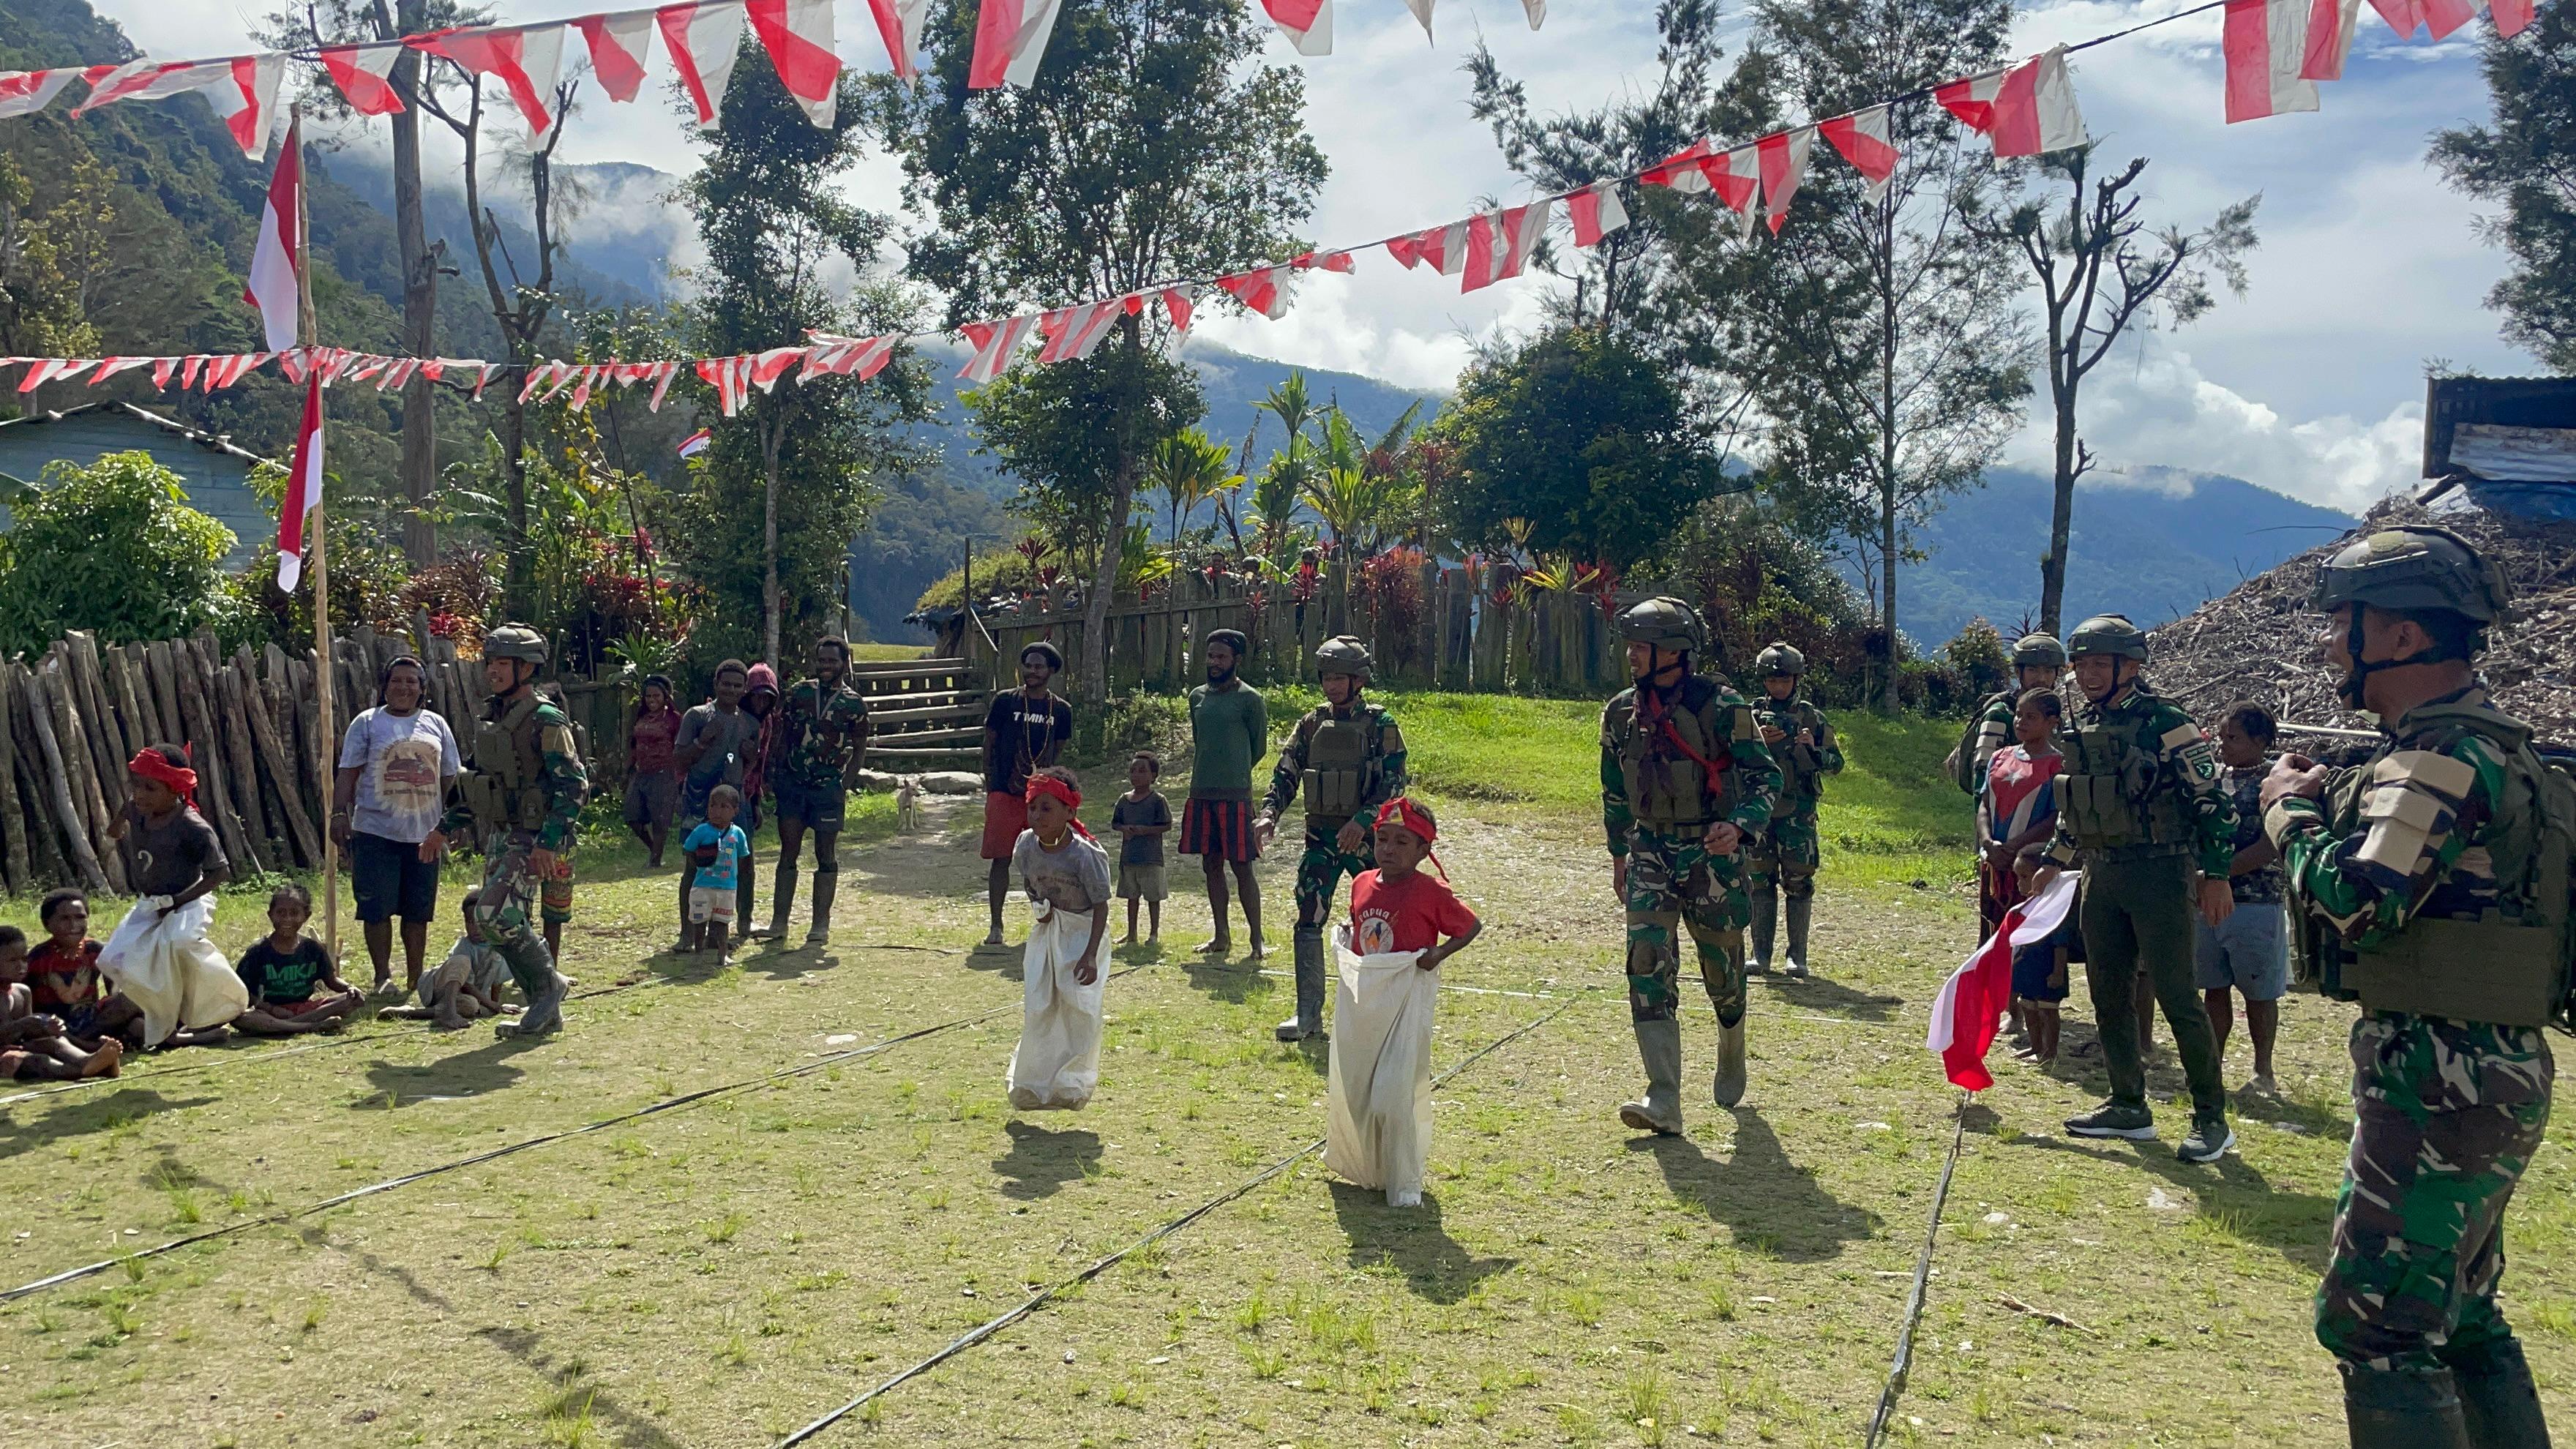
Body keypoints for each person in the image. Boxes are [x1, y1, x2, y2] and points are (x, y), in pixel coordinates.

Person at [2259, 525, 2557, 1448]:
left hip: (2439, 1075)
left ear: (2396, 638)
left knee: (2378, 1326)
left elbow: (2359, 901)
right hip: (2484, 1069)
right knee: (2458, 1317)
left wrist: (2287, 813)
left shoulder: (2439, 757)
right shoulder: (2487, 748)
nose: (2325, 644)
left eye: (2342, 624)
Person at [2029, 615, 2236, 1164]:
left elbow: (2214, 803)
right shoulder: (2087, 725)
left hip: (2161, 872)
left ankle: (2211, 1119)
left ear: (2131, 666)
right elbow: (2079, 805)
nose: (2089, 675)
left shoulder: (2168, 722)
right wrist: (2056, 861)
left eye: (2100, 664)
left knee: (2175, 995)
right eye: (2082, 664)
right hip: (2104, 872)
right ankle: (2127, 1104)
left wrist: (2216, 875)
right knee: (2107, 992)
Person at [1600, 597, 1783, 1134]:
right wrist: (1619, 854)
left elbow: (1765, 777)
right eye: (1629, 644)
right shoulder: (1619, 712)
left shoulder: (1721, 707)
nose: (1631, 654)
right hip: (1650, 852)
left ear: (1672, 652)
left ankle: (1732, 1038)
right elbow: (1614, 789)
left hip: (1711, 857)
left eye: (1641, 645)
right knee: (1646, 965)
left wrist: (1742, 826)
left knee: (1721, 973)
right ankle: (1664, 1100)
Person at [426, 624, 587, 1039]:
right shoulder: (493, 716)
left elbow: (574, 786)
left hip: (534, 838)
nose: (492, 671)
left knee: (493, 915)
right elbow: (476, 780)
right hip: (503, 834)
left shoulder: (546, 720)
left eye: (502, 664)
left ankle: (548, 990)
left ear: (526, 669)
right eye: (490, 662)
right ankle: (544, 1006)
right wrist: (444, 829)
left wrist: (549, 844)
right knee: (506, 921)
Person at [1330, 797, 1480, 1208]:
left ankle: (1403, 1179)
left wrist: (1437, 955)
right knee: (1359, 1088)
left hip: (1405, 1001)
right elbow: (1360, 925)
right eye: (1383, 839)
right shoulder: (1361, 882)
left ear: (1422, 851)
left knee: (1393, 1093)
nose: (1389, 850)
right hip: (1368, 1003)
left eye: (1402, 842)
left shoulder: (1430, 892)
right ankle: (1369, 1169)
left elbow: (1470, 926)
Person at [1258, 636, 1407, 1043]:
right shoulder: (1311, 723)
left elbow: (1395, 785)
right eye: (1326, 677)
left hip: (1367, 843)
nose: (1332, 685)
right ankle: (1308, 1015)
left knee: (1377, 922)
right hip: (1319, 838)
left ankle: (1378, 1016)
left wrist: (1362, 821)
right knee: (1308, 915)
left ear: (1358, 679)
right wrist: (1269, 814)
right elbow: (1286, 771)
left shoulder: (1381, 724)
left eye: (1339, 677)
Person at [334, 654, 463, 997]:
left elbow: (450, 775)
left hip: (424, 833)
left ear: (422, 689)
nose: (403, 687)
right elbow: (348, 772)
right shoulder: (367, 723)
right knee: (376, 908)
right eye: (396, 681)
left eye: (411, 682)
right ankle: (382, 978)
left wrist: (451, 820)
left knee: (417, 910)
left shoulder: (436, 724)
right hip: (376, 830)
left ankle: (416, 977)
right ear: (385, 686)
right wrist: (337, 814)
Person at [100, 745, 243, 1050]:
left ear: (175, 788)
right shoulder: (138, 809)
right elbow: (124, 812)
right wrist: (116, 827)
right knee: (113, 958)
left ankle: (226, 998)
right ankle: (152, 1018)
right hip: (151, 903)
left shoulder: (193, 827)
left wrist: (178, 902)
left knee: (177, 946)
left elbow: (220, 873)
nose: (139, 794)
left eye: (149, 787)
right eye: (136, 784)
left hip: (187, 902)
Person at [1006, 767, 1111, 1112]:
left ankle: (1072, 1084)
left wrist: (1090, 955)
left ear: (1069, 812)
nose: (1037, 816)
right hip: (1048, 932)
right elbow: (1031, 886)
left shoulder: (1085, 855)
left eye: (1047, 808)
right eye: (1033, 808)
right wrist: (1042, 911)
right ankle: (1031, 1084)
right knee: (1040, 1004)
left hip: (1083, 934)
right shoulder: (1025, 845)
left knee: (1078, 1007)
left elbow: (1100, 906)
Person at [2198, 700, 2288, 1096]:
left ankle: (2262, 1071)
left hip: (2257, 900)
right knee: (2213, 987)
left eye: (2232, 738)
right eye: (2221, 738)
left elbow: (2271, 845)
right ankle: (2211, 1066)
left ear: (2261, 740)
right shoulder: (2214, 781)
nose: (2223, 747)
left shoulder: (2276, 784)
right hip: (2209, 902)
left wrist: (2219, 873)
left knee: (2258, 990)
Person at [1743, 643, 1843, 978]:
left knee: (1799, 881)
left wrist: (1811, 749)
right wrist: (1757, 740)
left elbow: (1835, 763)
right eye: (1771, 681)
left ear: (1796, 680)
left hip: (1798, 813)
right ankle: (1761, 954)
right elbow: (1729, 756)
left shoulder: (1812, 717)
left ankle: (1797, 956)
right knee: (1759, 881)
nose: (1778, 687)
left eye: (1784, 680)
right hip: (1759, 811)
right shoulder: (1751, 715)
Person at [766, 637, 872, 946]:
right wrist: (777, 775)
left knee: (825, 854)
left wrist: (843, 785)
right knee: (788, 851)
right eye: (821, 661)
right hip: (794, 785)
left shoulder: (854, 704)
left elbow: (860, 749)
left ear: (844, 662)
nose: (826, 666)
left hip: (828, 788)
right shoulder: (799, 692)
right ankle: (779, 922)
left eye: (832, 661)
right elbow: (782, 735)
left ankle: (820, 924)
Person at [981, 643, 1074, 947]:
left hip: (1041, 798)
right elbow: (990, 743)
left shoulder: (1060, 710)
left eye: (1039, 667)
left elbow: (1056, 752)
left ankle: (1048, 922)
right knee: (1001, 858)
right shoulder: (1005, 702)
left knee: (1047, 860)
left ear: (1051, 672)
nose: (1032, 672)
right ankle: (996, 925)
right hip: (1005, 793)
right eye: (1028, 665)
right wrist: (991, 783)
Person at [1184, 629, 1268, 960]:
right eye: (1211, 656)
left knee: (1243, 866)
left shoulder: (1250, 699)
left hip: (1236, 796)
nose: (1215, 662)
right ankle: (1221, 935)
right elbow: (1199, 738)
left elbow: (1258, 747)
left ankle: (1257, 939)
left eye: (1222, 657)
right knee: (1211, 865)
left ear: (1236, 660)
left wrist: (1236, 772)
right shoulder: (1197, 697)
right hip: (1201, 793)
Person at [675, 660, 765, 943]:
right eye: (726, 684)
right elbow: (679, 759)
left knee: (744, 863)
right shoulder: (697, 716)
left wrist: (749, 759)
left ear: (745, 689)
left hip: (734, 803)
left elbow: (751, 765)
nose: (731, 689)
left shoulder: (750, 723)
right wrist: (702, 742)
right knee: (696, 863)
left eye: (738, 685)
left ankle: (743, 922)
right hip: (700, 799)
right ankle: (688, 932)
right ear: (716, 685)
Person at [1979, 690, 2065, 939]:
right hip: (1994, 861)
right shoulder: (1999, 757)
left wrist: (2014, 847)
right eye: (2018, 715)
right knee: (1991, 931)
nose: (2021, 722)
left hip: (2029, 867)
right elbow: (1985, 804)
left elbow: (2054, 819)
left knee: (2028, 936)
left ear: (2052, 722)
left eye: (2031, 717)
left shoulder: (2058, 765)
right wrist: (1988, 843)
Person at [233, 883, 363, 1036]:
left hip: (306, 1008)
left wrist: (350, 988)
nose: (287, 919)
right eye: (281, 913)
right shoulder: (258, 951)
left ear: (306, 916)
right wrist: (271, 1009)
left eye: (294, 913)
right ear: (270, 915)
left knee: (353, 999)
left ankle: (284, 1027)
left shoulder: (313, 949)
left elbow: (332, 981)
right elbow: (243, 994)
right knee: (240, 1018)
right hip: (269, 1011)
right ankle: (310, 1026)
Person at [1950, 632, 2069, 796]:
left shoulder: (2053, 716)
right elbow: (1982, 777)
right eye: (2033, 670)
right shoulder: (2000, 714)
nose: (2041, 678)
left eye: (2048, 671)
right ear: (2019, 673)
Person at [380, 891, 518, 1031]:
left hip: (465, 997)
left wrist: (496, 1006)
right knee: (462, 961)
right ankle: (449, 1012)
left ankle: (412, 1013)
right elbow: (466, 985)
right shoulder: (464, 946)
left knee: (471, 1007)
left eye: (479, 923)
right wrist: (490, 1004)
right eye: (469, 922)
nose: (474, 928)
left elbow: (497, 981)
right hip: (439, 987)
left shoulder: (498, 947)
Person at [0, 924, 120, 1079]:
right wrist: (26, 1023)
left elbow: (29, 1035)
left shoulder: (23, 991)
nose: (21, 966)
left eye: (24, 959)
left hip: (18, 1047)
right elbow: (15, 1029)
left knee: (54, 1042)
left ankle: (87, 1060)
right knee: (34, 1061)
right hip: (5, 1056)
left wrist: (46, 1027)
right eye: (12, 961)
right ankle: (87, 1071)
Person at [2009, 843, 2078, 1066]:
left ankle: (2051, 1051)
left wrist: (2058, 972)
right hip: (2027, 968)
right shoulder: (2025, 907)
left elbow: (2060, 946)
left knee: (2048, 1012)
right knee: (2028, 1008)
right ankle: (2036, 1046)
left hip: (2047, 970)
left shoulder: (2055, 912)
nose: (2020, 884)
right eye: (2017, 877)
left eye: (2025, 877)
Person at [680, 785, 755, 964]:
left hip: (727, 888)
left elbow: (744, 857)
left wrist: (734, 877)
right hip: (702, 886)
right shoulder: (701, 831)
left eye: (724, 807)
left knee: (722, 922)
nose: (717, 811)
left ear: (735, 811)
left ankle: (722, 955)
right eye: (713, 806)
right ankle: (699, 954)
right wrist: (699, 866)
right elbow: (688, 850)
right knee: (700, 922)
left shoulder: (738, 834)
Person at [26, 889, 107, 1045]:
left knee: (130, 1008)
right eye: (64, 919)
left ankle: (82, 1040)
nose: (73, 925)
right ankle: (82, 1044)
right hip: (54, 1025)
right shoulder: (38, 957)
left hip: (91, 1021)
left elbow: (113, 993)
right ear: (47, 924)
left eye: (80, 917)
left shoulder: (96, 950)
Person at [1112, 751, 1172, 946]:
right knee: (1132, 897)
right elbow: (1115, 823)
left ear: (1153, 776)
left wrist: (1146, 830)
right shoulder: (1124, 800)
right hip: (1129, 857)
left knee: (1153, 898)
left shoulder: (1157, 800)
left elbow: (1167, 825)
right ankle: (1132, 934)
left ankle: (1153, 934)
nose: (1136, 775)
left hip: (1151, 858)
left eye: (1142, 771)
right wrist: (1125, 829)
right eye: (1133, 771)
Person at [623, 674, 683, 868]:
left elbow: (681, 746)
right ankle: (653, 848)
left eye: (656, 696)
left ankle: (655, 860)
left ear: (665, 697)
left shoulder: (674, 719)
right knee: (632, 817)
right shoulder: (641, 717)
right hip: (641, 773)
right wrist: (628, 768)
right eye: (648, 697)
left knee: (660, 819)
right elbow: (634, 744)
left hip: (665, 773)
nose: (652, 700)